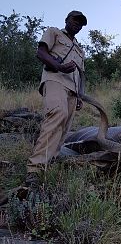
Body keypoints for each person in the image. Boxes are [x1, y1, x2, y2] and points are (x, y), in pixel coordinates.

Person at [26, 10, 87, 186]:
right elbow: (41, 52)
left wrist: (80, 96)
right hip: (55, 80)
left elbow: (81, 74)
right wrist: (59, 67)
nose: (77, 24)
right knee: (56, 115)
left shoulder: (80, 50)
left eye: (80, 23)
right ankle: (35, 170)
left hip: (73, 91)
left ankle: (49, 163)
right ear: (66, 20)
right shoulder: (54, 32)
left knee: (64, 128)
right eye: (74, 20)